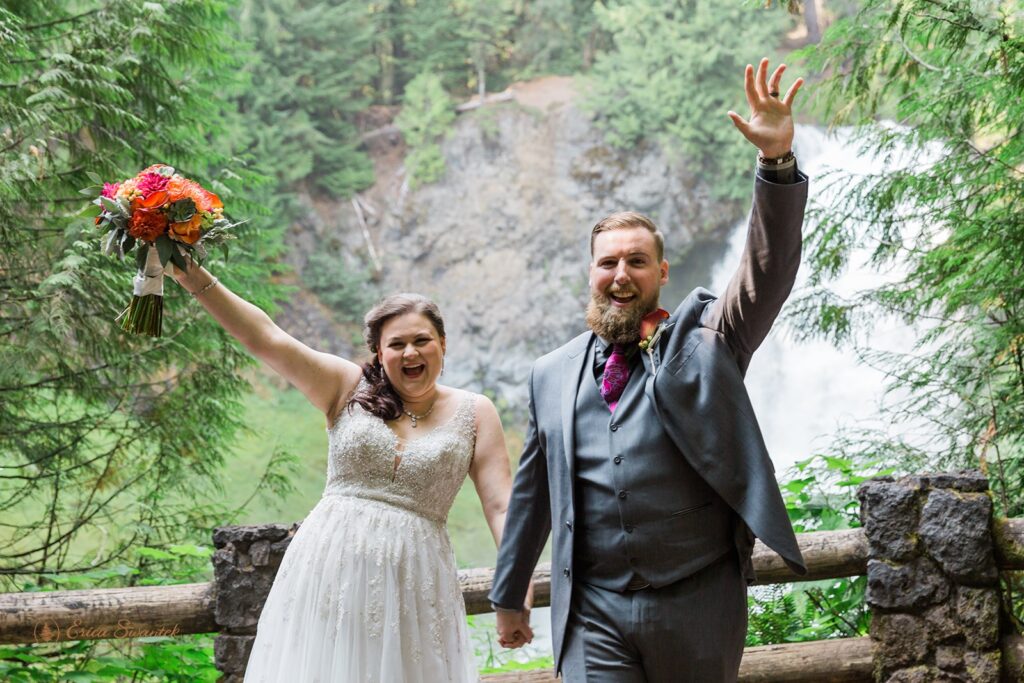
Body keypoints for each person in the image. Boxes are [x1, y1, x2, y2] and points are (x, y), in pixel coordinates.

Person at [488, 58, 810, 682]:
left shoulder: (708, 338)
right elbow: (533, 493)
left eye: (638, 261)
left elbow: (765, 275)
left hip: (697, 599)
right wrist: (508, 593)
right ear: (590, 273)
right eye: (608, 262)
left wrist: (775, 165)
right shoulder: (550, 375)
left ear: (662, 273)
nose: (620, 274)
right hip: (594, 608)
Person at [171, 261, 524, 681]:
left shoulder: (475, 411)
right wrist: (188, 273)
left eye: (421, 340)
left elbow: (502, 506)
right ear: (379, 352)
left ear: (443, 344)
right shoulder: (345, 386)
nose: (410, 352)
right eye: (396, 344)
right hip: (328, 568)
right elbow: (264, 338)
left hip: (416, 580)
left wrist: (512, 591)